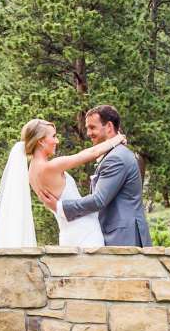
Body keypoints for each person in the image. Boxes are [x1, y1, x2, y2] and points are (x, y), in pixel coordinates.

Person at [0, 117, 126, 248]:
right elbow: (92, 152)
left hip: (67, 234)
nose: (57, 141)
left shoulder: (31, 173)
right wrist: (117, 139)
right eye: (53, 136)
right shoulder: (50, 167)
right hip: (86, 231)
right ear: (41, 141)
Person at [59, 104, 152, 248]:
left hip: (123, 238)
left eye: (92, 127)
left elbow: (99, 200)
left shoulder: (116, 158)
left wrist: (62, 207)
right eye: (87, 128)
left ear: (109, 126)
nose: (88, 133)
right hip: (120, 236)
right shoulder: (114, 154)